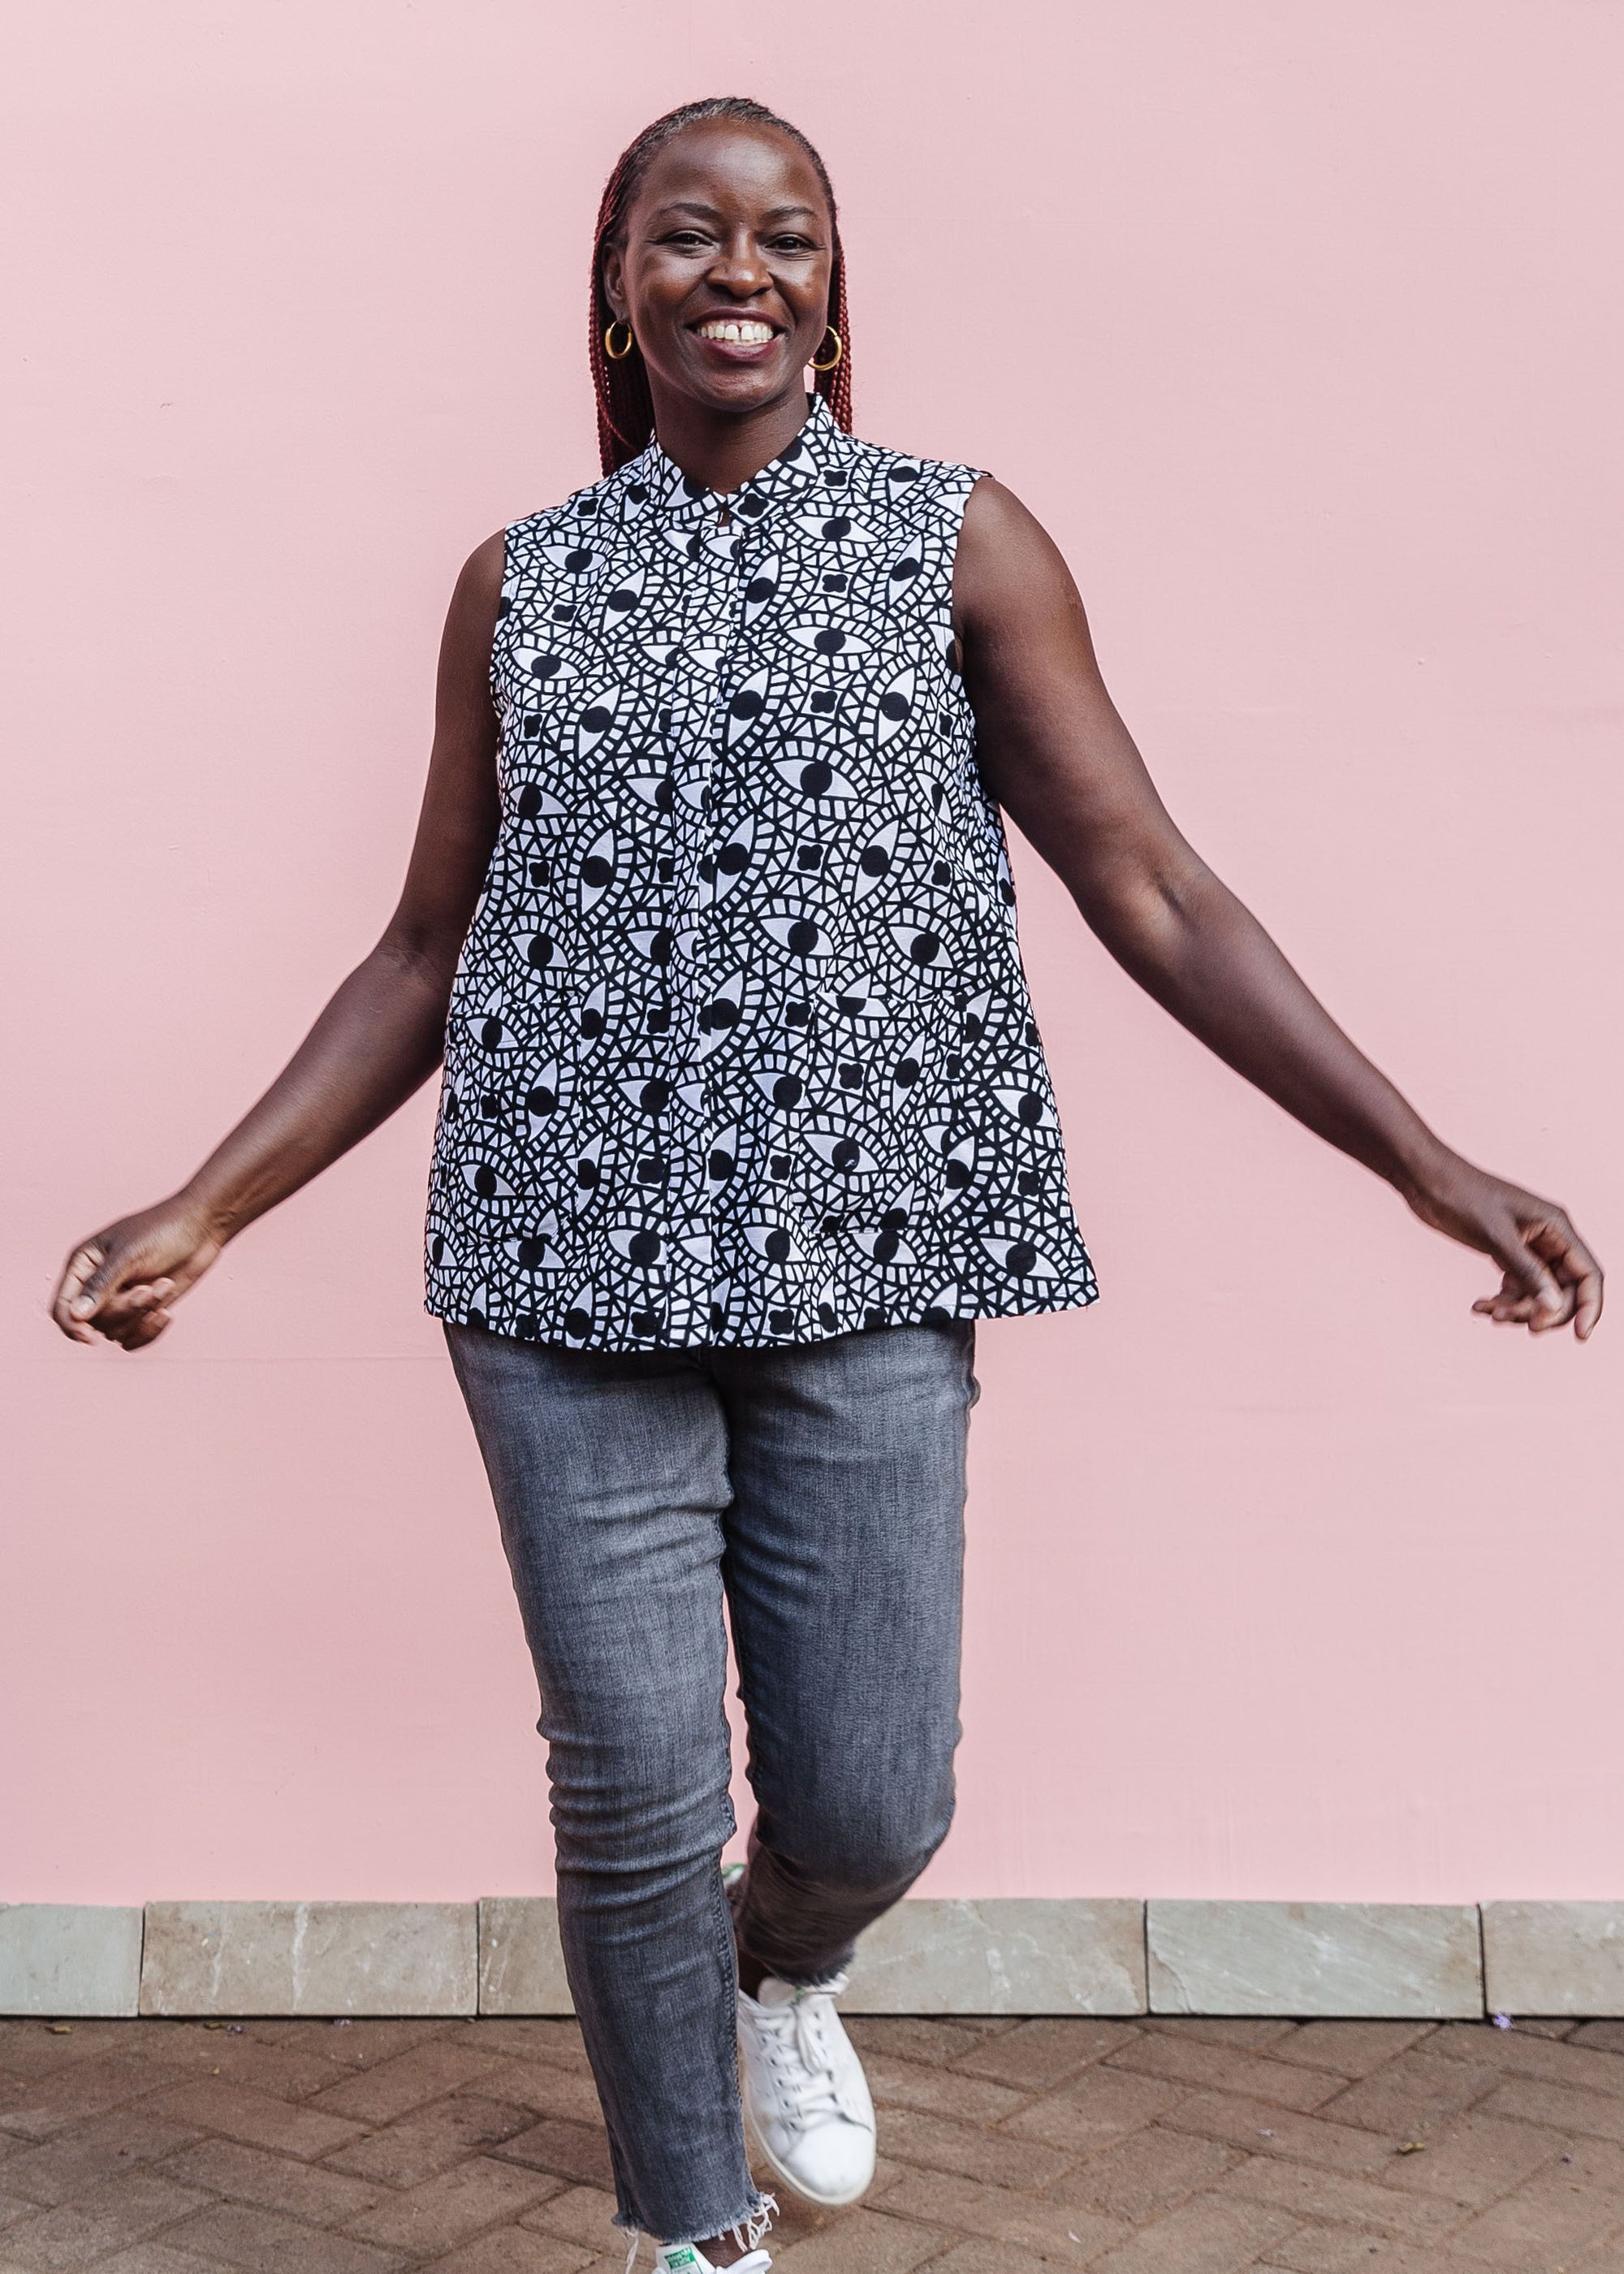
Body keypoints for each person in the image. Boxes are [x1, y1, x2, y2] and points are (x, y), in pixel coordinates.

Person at [53, 92, 1600, 2274]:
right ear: (621, 284)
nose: (743, 273)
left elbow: (1148, 886)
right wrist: (209, 1209)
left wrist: (1426, 1167)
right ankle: (687, 2232)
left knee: (875, 1796)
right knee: (628, 1785)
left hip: (877, 1258)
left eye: (790, 236)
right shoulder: (523, 583)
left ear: (837, 283)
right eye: (691, 236)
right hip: (555, 1262)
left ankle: (787, 1970)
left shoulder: (956, 542)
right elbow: (425, 947)